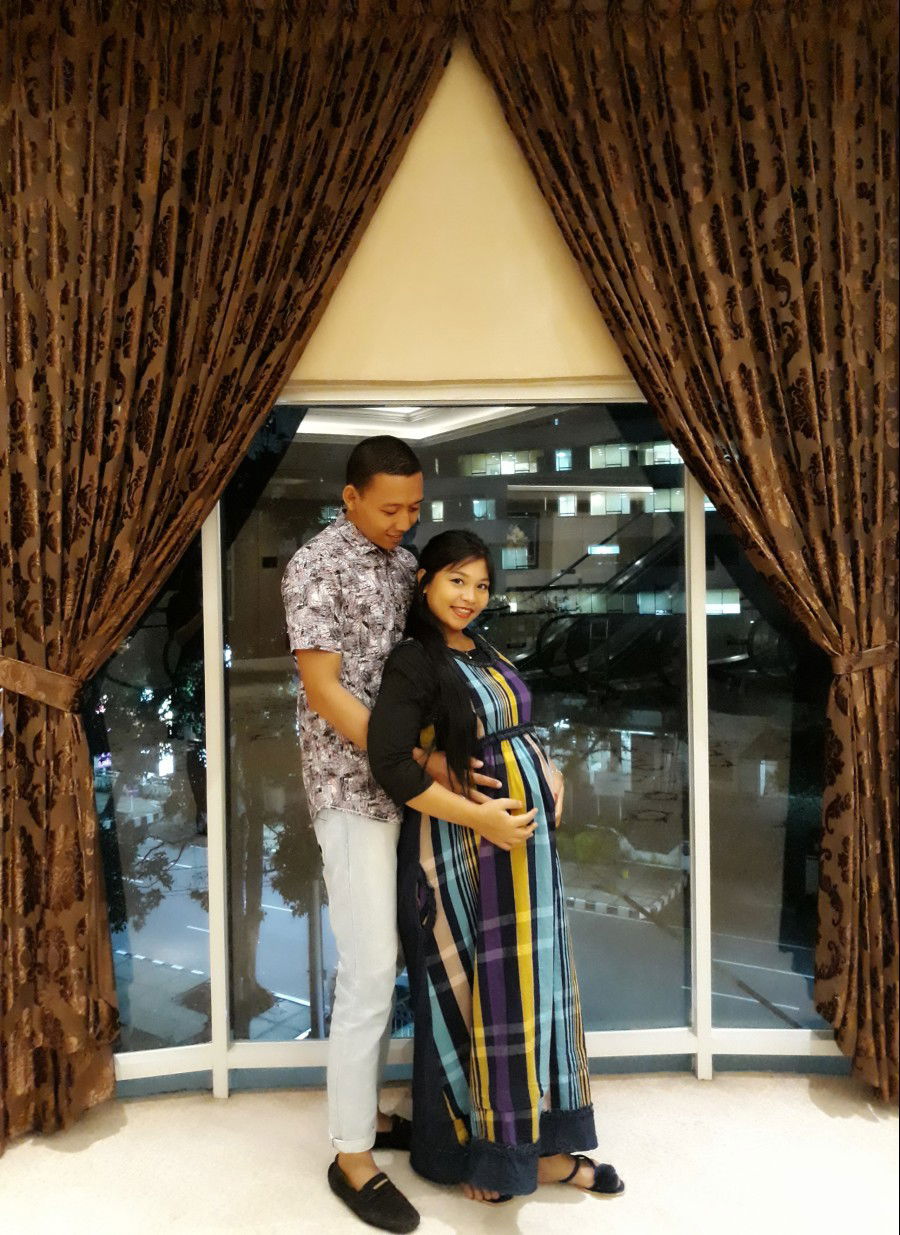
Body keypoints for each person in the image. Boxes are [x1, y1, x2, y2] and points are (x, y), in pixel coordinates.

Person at [280, 440, 508, 1234]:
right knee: (369, 968)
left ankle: (370, 1115)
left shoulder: (405, 563)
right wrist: (414, 757)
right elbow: (323, 689)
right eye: (390, 508)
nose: (405, 521)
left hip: (413, 791)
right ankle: (350, 1155)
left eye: (414, 507)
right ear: (349, 497)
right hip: (352, 793)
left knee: (403, 959)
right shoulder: (315, 567)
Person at [367, 530, 625, 1203]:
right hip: (460, 852)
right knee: (471, 995)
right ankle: (479, 1156)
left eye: (481, 585)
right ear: (424, 580)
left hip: (521, 855)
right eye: (457, 580)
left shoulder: (479, 646)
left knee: (530, 990)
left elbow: (511, 729)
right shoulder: (413, 661)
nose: (471, 596)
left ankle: (534, 1144)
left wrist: (549, 767)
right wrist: (478, 816)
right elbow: (390, 759)